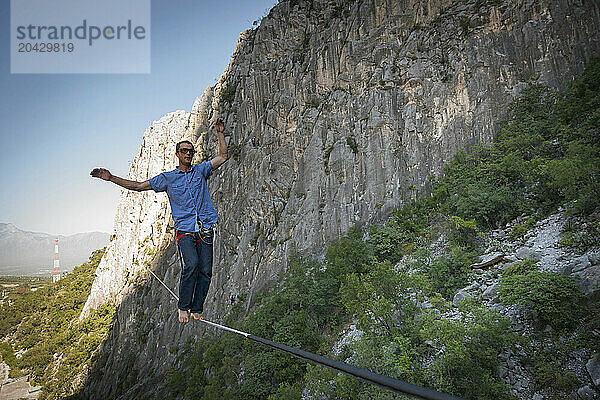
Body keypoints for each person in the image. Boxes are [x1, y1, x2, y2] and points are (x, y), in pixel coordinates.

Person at [91, 117, 228, 323]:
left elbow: (223, 156)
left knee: (206, 270)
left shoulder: (201, 171)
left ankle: (197, 307)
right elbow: (138, 186)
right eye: (184, 151)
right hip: (185, 230)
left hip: (205, 226)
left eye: (190, 151)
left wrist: (219, 133)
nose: (188, 154)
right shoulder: (167, 178)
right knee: (191, 265)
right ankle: (184, 307)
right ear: (177, 154)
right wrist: (111, 178)